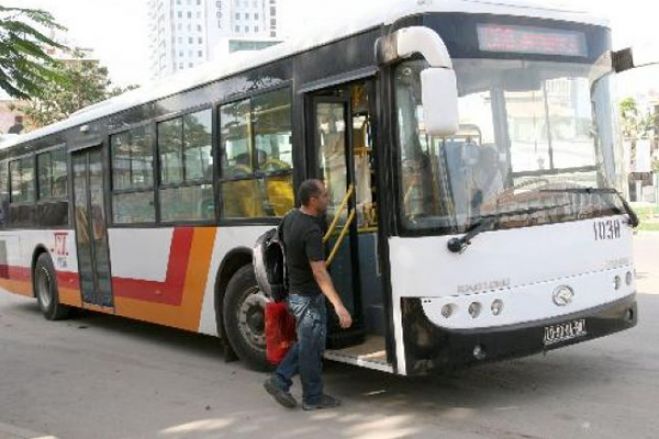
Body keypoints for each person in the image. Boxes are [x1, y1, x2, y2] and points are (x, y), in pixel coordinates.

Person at [264, 179, 353, 411]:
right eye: (324, 195)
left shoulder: (290, 218)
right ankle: (311, 397)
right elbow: (320, 272)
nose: (327, 198)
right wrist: (339, 306)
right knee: (311, 347)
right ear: (313, 200)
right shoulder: (311, 230)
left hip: (295, 292)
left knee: (309, 344)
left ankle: (281, 380)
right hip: (308, 297)